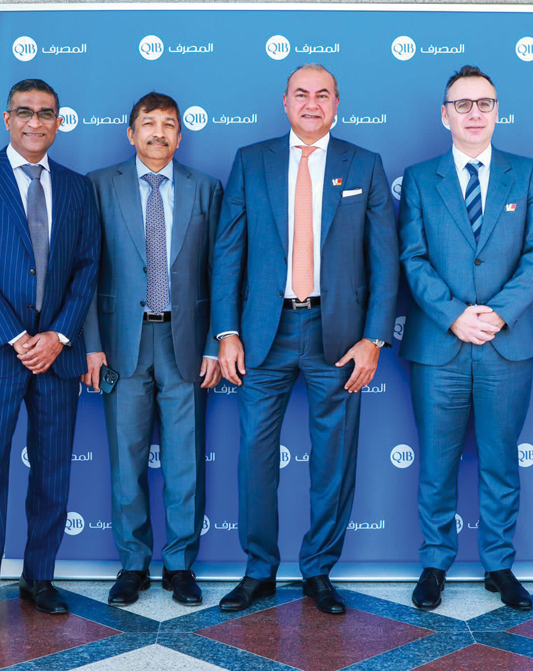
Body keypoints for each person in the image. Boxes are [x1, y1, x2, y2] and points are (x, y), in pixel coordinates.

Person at [212, 64, 398, 615]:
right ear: (285, 102)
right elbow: (228, 253)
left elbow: (385, 261)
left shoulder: (364, 163)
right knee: (254, 455)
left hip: (336, 334)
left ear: (337, 104)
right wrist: (227, 332)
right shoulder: (252, 160)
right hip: (262, 333)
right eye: (301, 94)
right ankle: (258, 570)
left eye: (322, 95)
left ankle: (318, 570)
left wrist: (374, 339)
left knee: (333, 458)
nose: (311, 103)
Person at [398, 65, 533, 612]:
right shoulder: (420, 178)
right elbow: (413, 257)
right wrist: (454, 317)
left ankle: (499, 565)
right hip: (440, 344)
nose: (474, 113)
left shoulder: (526, 173)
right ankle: (435, 563)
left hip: (506, 343)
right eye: (462, 104)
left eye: (484, 103)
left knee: (500, 461)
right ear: (445, 115)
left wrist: (498, 315)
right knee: (436, 463)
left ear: (497, 111)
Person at [0, 79, 100, 632]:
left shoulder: (78, 187)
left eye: (47, 113)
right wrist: (17, 337)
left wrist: (58, 335)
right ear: (7, 118)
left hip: (57, 355)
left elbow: (87, 267)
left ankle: (40, 577)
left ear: (59, 122)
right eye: (25, 112)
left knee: (52, 473)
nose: (36, 122)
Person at [81, 92, 223, 606]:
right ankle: (133, 563)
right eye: (148, 123)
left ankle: (180, 565)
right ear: (131, 132)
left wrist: (214, 343)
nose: (158, 132)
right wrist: (91, 345)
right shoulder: (99, 186)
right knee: (127, 460)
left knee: (185, 461)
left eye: (168, 125)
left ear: (180, 136)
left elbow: (221, 272)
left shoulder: (206, 189)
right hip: (122, 343)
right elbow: (85, 271)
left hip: (185, 342)